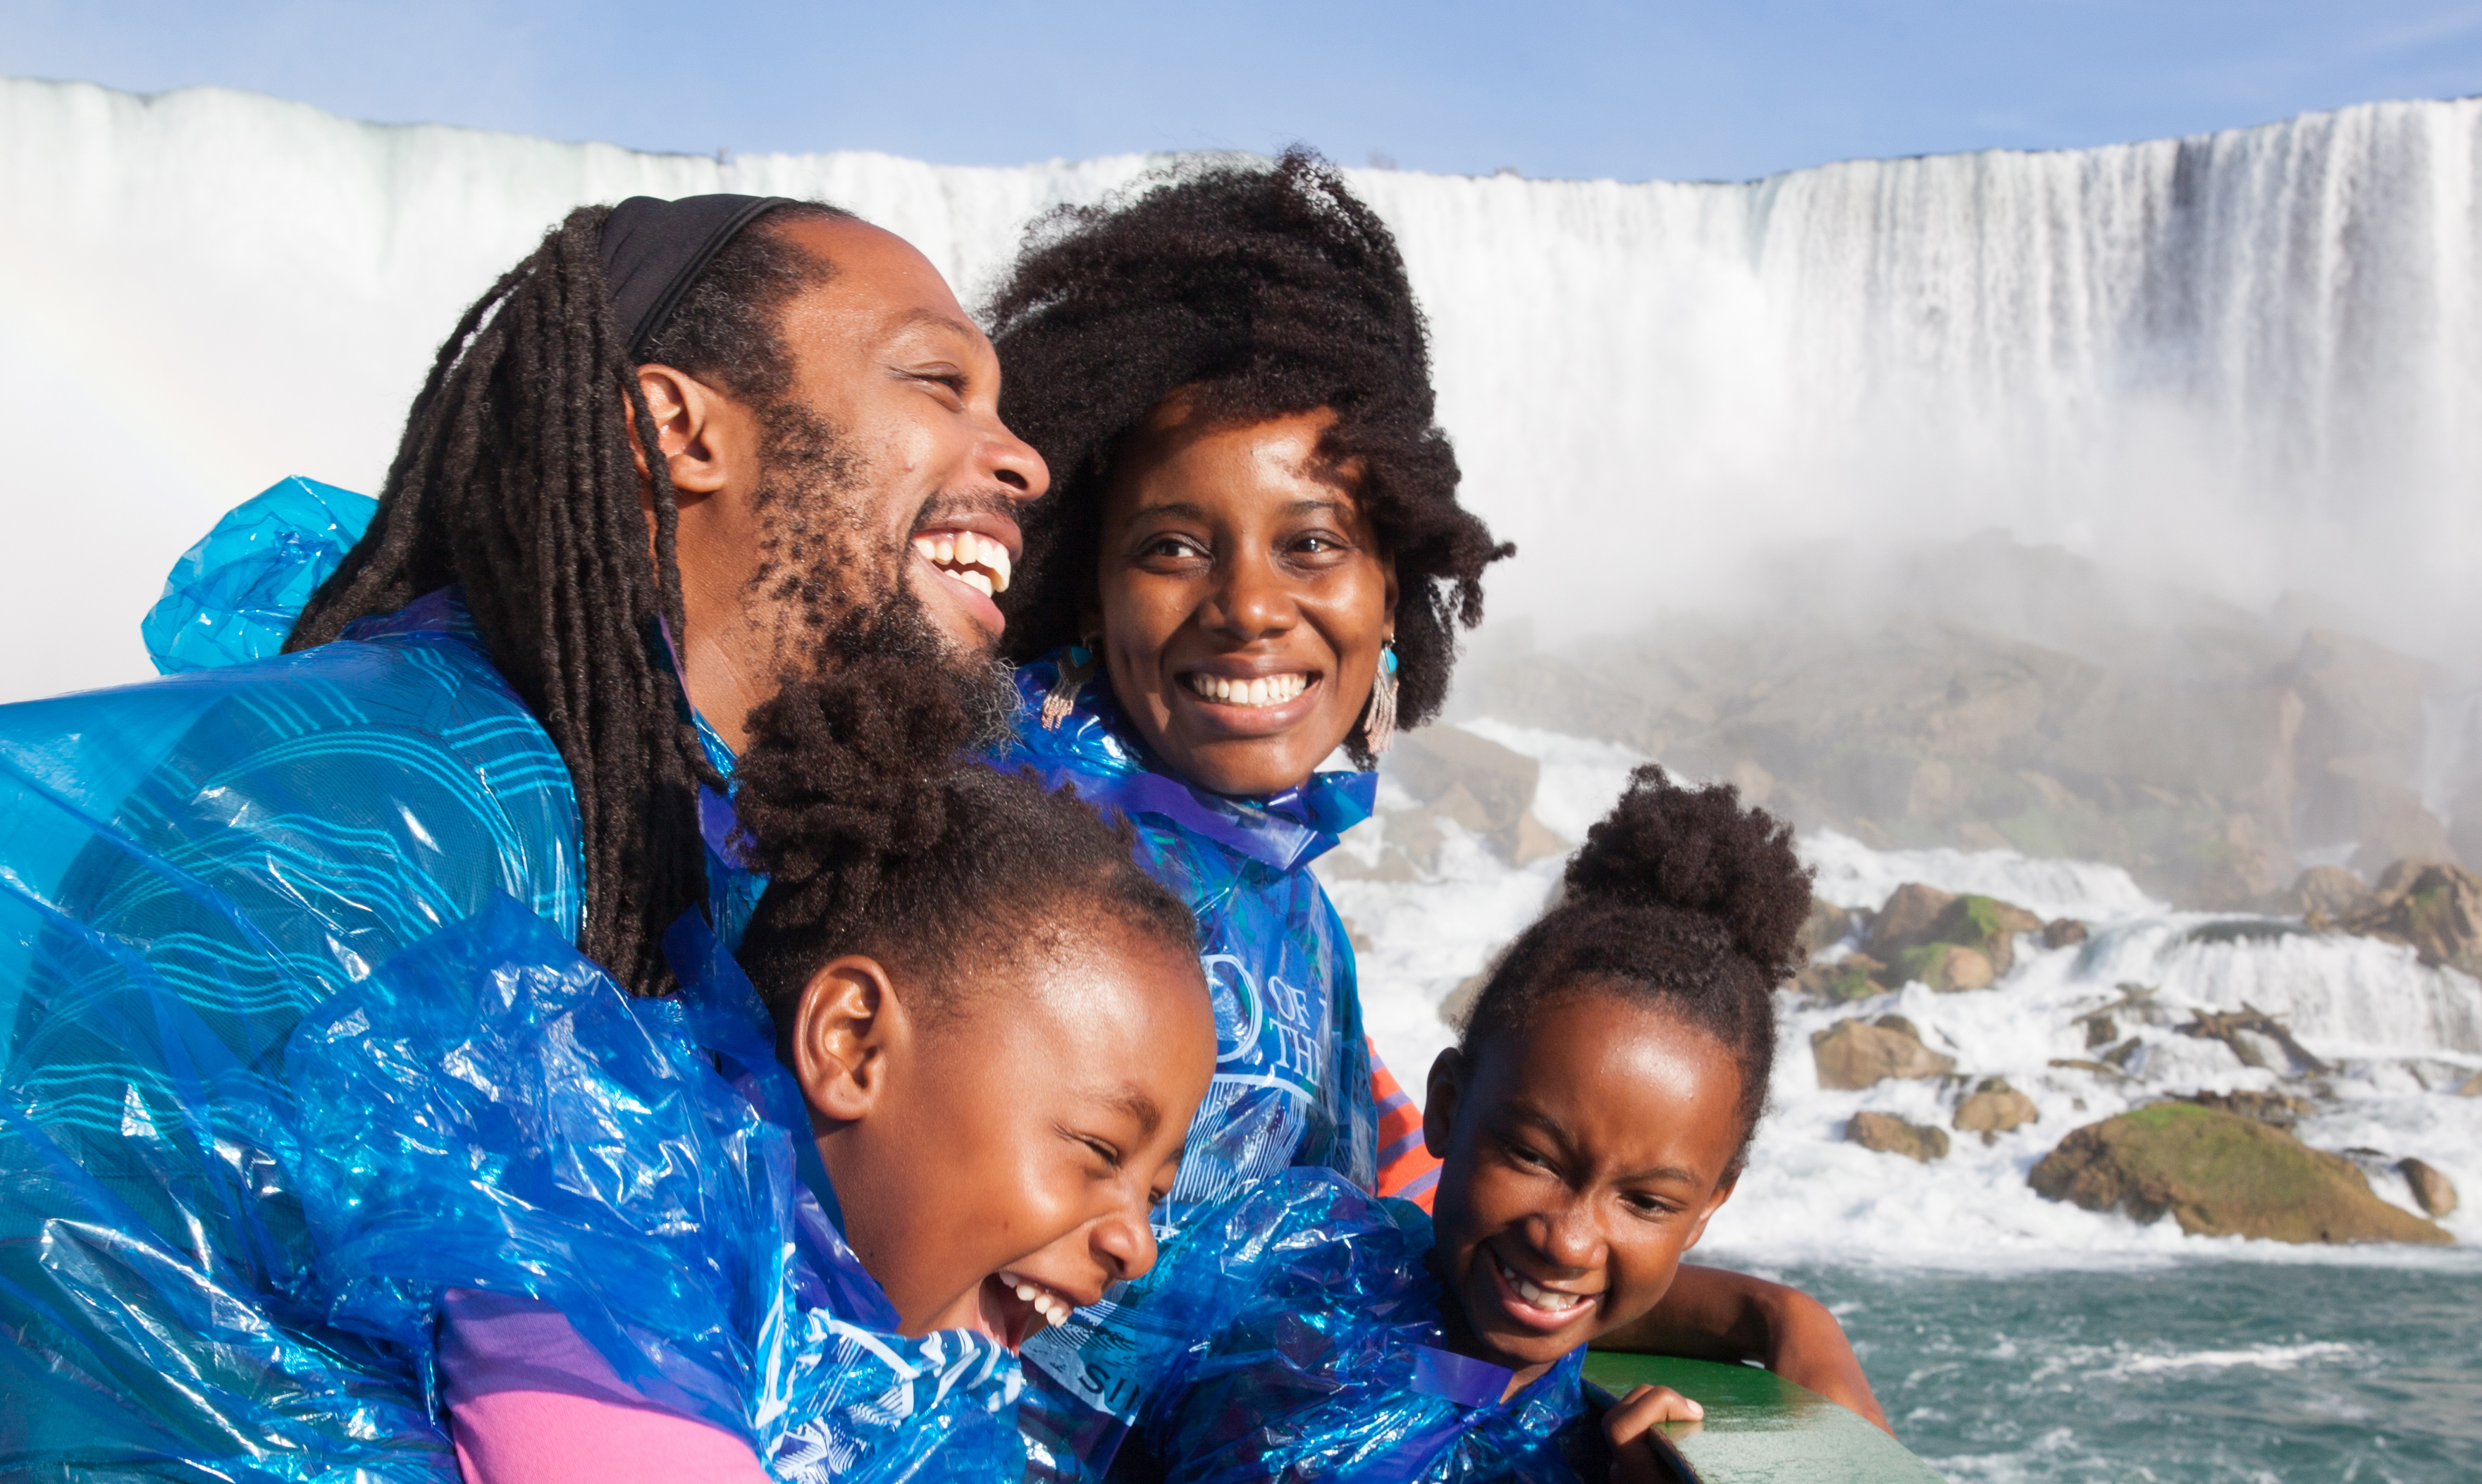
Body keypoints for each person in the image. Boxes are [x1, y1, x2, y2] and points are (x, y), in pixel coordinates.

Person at [0, 192, 1046, 1473]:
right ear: (677, 431)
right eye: (940, 381)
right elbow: (111, 1347)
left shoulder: (653, 829)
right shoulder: (413, 799)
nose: (1022, 461)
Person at [976, 149, 1885, 1454]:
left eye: (1311, 544)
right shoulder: (1005, 870)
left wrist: (1754, 1313)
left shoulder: (1283, 909)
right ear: (1085, 586)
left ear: (1392, 595)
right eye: (1175, 546)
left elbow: (1413, 1234)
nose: (1245, 606)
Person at [299, 643, 1217, 1483]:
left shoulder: (875, 1371)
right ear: (853, 1043)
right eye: (1100, 1149)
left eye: (1156, 1193)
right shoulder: (601, 1245)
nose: (1135, 1243)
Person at [1031, 767, 1810, 1483]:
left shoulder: (1564, 1428)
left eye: (1646, 1203)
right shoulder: (1298, 1274)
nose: (1567, 1241)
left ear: (1710, 1208)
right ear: (1444, 1105)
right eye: (1533, 1156)